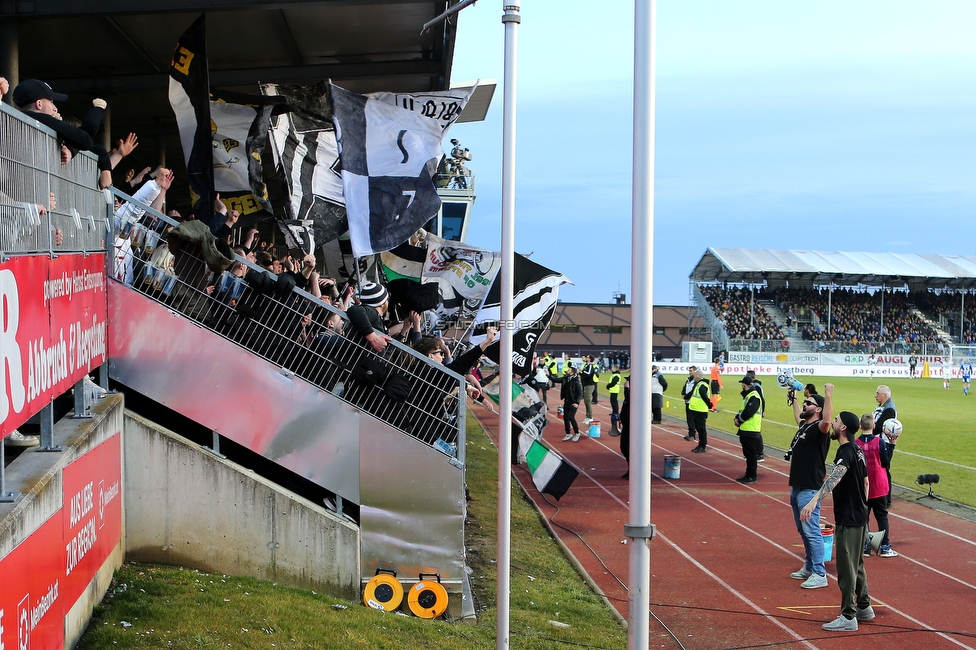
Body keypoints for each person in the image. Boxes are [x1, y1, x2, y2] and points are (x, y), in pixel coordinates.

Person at [800, 410, 874, 632]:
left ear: (843, 428)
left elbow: (836, 478)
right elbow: (866, 483)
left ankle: (848, 616)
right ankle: (864, 606)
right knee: (857, 564)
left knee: (846, 568)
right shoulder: (858, 450)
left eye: (836, 421)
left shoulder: (846, 451)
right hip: (859, 515)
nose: (833, 423)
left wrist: (813, 502)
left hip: (850, 518)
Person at [787, 383, 834, 590]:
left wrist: (828, 395)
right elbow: (798, 416)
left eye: (809, 403)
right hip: (797, 486)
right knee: (803, 530)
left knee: (812, 530)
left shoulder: (819, 429)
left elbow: (826, 420)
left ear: (818, 409)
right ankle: (809, 566)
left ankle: (819, 572)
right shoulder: (806, 426)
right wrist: (795, 399)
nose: (805, 405)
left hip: (810, 488)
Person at [856, 414, 898, 558]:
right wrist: (891, 445)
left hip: (862, 486)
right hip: (879, 485)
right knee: (881, 516)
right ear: (874, 426)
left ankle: (866, 547)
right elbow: (886, 463)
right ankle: (885, 547)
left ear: (860, 426)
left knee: (864, 516)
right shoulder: (879, 442)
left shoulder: (855, 443)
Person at [733, 376, 763, 482]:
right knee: (748, 454)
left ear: (744, 385)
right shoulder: (750, 396)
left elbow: (749, 412)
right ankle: (749, 474)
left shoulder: (753, 396)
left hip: (751, 429)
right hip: (747, 428)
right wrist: (737, 418)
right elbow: (743, 410)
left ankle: (751, 475)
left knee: (750, 455)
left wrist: (739, 420)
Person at [872, 385, 898, 509]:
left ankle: (886, 498)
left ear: (885, 395)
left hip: (885, 442)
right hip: (880, 441)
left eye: (878, 393)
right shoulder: (883, 406)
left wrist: (869, 427)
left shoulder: (889, 409)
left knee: (884, 469)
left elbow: (879, 426)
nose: (875, 396)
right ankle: (881, 496)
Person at [553, 366, 583, 442]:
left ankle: (577, 433)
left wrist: (577, 402)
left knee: (571, 417)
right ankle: (568, 433)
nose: (567, 370)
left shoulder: (576, 380)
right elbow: (556, 379)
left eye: (569, 370)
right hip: (567, 401)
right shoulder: (565, 378)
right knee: (565, 418)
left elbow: (580, 392)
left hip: (573, 402)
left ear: (572, 372)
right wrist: (548, 375)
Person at [688, 368, 711, 453]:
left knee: (701, 429)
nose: (693, 378)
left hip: (700, 410)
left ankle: (703, 445)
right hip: (696, 409)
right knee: (699, 428)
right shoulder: (699, 384)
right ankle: (700, 445)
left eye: (694, 376)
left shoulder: (702, 385)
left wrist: (710, 405)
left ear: (697, 376)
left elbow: (704, 396)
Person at [747, 369, 767, 462]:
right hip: (755, 411)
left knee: (757, 433)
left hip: (757, 412)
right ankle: (755, 452)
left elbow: (761, 399)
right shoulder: (755, 386)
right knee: (754, 432)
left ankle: (759, 453)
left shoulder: (756, 387)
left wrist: (762, 410)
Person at [681, 366, 698, 442]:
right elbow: (684, 388)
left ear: (695, 371)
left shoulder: (696, 381)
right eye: (689, 370)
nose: (690, 372)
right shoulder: (688, 379)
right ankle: (691, 433)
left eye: (691, 371)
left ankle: (692, 434)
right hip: (687, 402)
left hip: (692, 402)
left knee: (692, 419)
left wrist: (686, 396)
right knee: (689, 419)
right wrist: (683, 394)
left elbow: (693, 391)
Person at [619, 377, 631, 479]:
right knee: (624, 447)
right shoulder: (630, 393)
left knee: (627, 447)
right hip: (626, 423)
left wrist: (626, 389)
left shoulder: (634, 394)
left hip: (631, 426)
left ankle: (633, 469)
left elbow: (629, 400)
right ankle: (631, 468)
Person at [580, 355, 597, 424]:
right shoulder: (586, 366)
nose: (586, 358)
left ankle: (590, 417)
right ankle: (587, 416)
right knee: (586, 401)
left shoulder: (590, 366)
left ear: (589, 359)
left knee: (587, 400)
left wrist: (581, 372)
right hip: (586, 385)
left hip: (589, 385)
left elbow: (588, 374)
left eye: (587, 357)